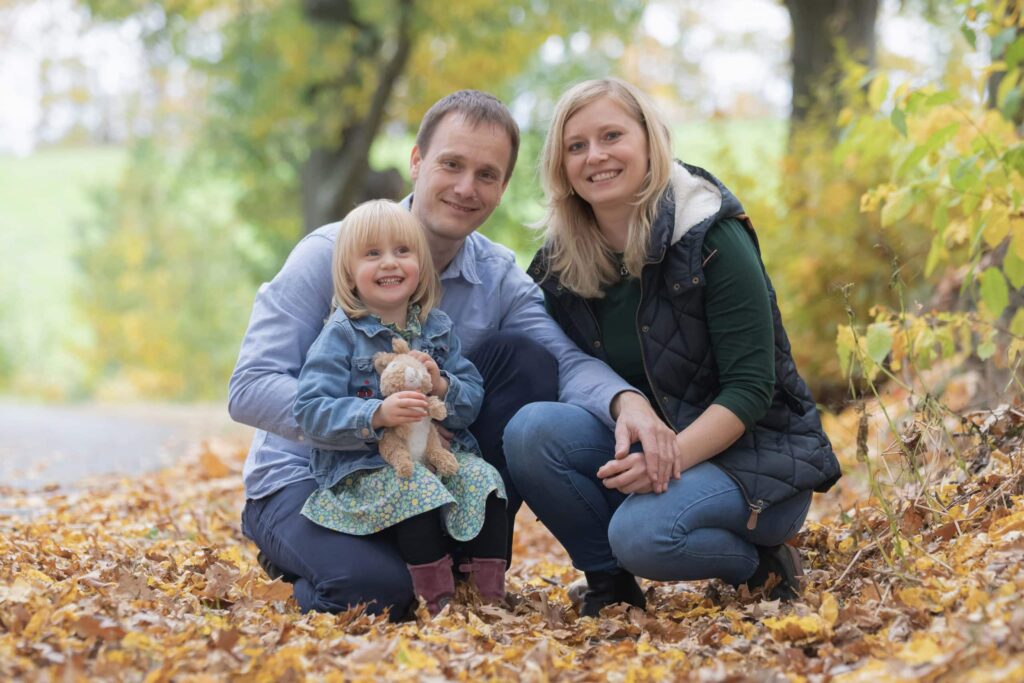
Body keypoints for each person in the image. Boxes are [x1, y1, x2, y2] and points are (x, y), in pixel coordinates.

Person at [229, 89, 665, 618]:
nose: (466, 188)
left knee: (524, 357)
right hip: (308, 477)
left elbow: (563, 361)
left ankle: (466, 561)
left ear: (503, 188)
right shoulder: (332, 254)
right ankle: (314, 562)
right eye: (451, 164)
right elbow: (250, 386)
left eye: (486, 174)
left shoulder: (497, 275)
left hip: (422, 477)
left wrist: (627, 402)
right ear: (416, 162)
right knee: (377, 598)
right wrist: (368, 416)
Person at [503, 78, 841, 617]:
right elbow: (561, 368)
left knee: (642, 537)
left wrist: (669, 458)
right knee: (531, 431)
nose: (596, 156)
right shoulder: (561, 264)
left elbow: (752, 389)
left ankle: (759, 567)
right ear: (561, 165)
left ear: (649, 141)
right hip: (654, 454)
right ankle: (611, 585)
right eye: (576, 146)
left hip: (755, 461)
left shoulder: (709, 236)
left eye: (612, 135)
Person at [292, 200, 507, 616]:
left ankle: (487, 598)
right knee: (416, 490)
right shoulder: (340, 334)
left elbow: (471, 400)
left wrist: (443, 384)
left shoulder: (437, 328)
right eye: (372, 254)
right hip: (363, 467)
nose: (389, 263)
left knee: (485, 479)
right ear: (349, 271)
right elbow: (311, 410)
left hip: (431, 455)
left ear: (420, 265)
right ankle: (437, 604)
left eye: (402, 252)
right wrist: (376, 415)